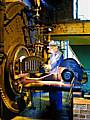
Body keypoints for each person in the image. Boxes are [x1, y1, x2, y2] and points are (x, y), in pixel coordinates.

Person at [45, 40, 64, 112]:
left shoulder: (60, 54)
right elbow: (50, 62)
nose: (50, 49)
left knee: (58, 91)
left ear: (55, 47)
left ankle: (59, 108)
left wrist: (48, 67)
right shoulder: (52, 55)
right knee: (51, 91)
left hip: (57, 75)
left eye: (51, 48)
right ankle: (52, 106)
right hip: (51, 75)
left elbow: (56, 64)